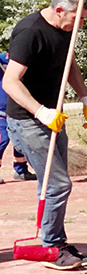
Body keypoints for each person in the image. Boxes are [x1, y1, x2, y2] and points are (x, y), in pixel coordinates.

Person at [3, 0, 87, 270]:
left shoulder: (65, 30)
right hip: (28, 121)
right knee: (58, 184)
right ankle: (51, 247)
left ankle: (55, 239)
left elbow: (70, 64)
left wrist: (85, 98)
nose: (81, 25)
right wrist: (41, 112)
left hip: (52, 117)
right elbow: (10, 81)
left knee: (51, 183)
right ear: (59, 10)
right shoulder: (30, 32)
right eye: (78, 19)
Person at [0, 52, 37, 183]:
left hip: (17, 108)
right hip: (1, 111)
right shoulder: (2, 59)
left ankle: (21, 170)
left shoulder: (25, 58)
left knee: (21, 139)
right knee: (2, 138)